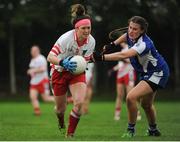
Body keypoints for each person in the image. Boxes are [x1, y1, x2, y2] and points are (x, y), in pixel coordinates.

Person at [92, 16, 169, 137]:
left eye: (135, 29)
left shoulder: (144, 43)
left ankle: (130, 130)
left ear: (142, 31)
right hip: (147, 73)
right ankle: (153, 130)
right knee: (146, 105)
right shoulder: (131, 35)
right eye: (130, 28)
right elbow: (126, 36)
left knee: (130, 97)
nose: (131, 31)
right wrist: (113, 43)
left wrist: (102, 57)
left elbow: (124, 55)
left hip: (157, 73)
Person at [47, 4, 95, 138]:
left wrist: (91, 59)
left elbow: (84, 60)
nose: (86, 31)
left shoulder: (91, 41)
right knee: (60, 109)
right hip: (59, 71)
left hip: (76, 72)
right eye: (83, 28)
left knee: (79, 103)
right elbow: (50, 57)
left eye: (89, 28)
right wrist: (63, 62)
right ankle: (61, 121)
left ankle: (70, 134)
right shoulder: (65, 39)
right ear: (76, 28)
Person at [108, 43, 141, 121]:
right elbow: (120, 64)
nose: (120, 42)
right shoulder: (122, 50)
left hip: (129, 73)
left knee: (131, 95)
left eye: (122, 40)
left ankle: (137, 113)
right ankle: (117, 114)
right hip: (120, 74)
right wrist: (112, 70)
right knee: (119, 95)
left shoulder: (132, 48)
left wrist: (122, 58)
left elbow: (132, 61)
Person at [27, 45, 54, 116]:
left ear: (38, 51)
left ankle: (63, 101)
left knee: (46, 98)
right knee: (32, 97)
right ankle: (37, 111)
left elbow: (43, 69)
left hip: (42, 81)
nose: (33, 52)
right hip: (34, 82)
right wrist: (30, 71)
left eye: (34, 50)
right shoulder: (33, 59)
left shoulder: (41, 58)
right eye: (32, 51)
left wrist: (32, 71)